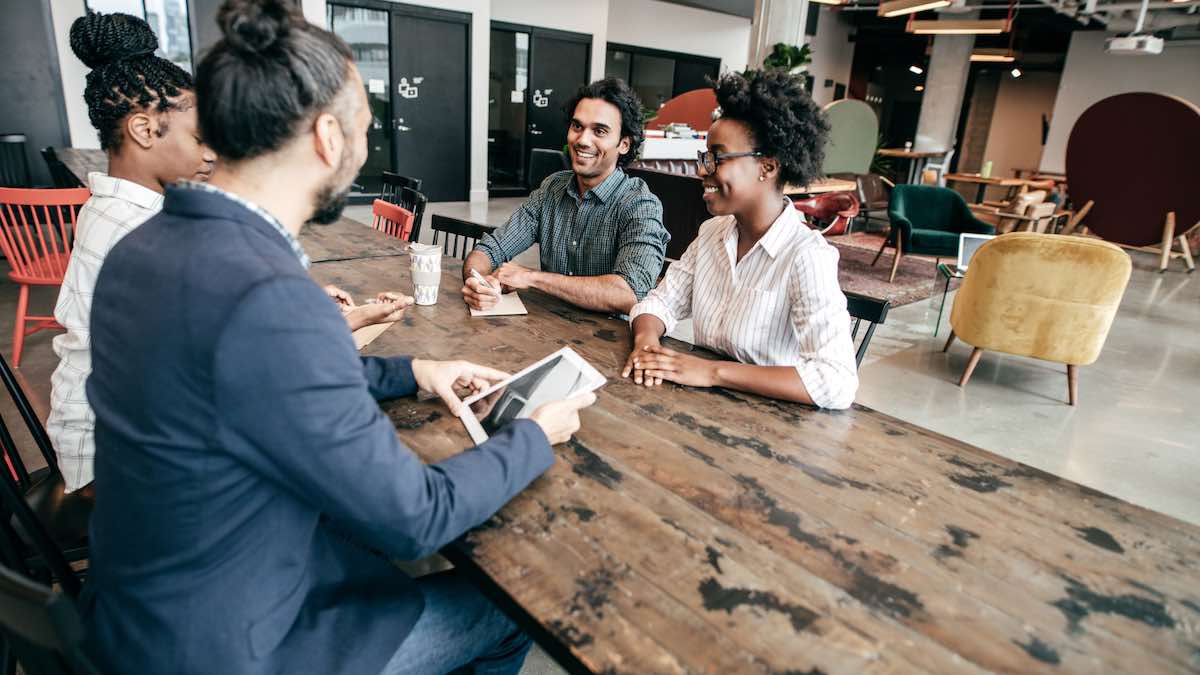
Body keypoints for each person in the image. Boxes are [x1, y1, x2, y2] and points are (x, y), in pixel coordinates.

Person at [79, 2, 593, 674]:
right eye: (363, 127)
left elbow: (257, 378)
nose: (364, 145)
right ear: (327, 135)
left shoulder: (140, 247)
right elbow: (416, 514)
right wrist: (534, 433)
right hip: (231, 646)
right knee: (508, 606)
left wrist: (414, 371)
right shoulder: (267, 297)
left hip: (135, 607)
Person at [47, 11, 217, 494]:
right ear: (144, 130)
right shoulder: (137, 231)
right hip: (112, 460)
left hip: (105, 428)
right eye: (200, 139)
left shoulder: (117, 208)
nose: (211, 154)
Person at [621, 70, 858, 409]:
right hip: (705, 409)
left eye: (717, 157)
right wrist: (646, 343)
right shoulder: (712, 234)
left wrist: (712, 372)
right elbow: (659, 303)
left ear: (768, 167)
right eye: (705, 157)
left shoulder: (806, 256)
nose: (703, 169)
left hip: (773, 426)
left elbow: (836, 381)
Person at [462, 77, 668, 315]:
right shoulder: (552, 188)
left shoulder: (640, 205)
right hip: (547, 329)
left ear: (623, 144)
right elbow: (491, 248)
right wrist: (476, 282)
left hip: (605, 343)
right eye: (577, 126)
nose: (582, 140)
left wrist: (532, 277)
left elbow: (630, 293)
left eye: (599, 131)